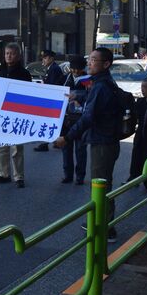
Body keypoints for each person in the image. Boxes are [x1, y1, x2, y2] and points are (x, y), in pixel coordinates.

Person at [54, 47, 122, 243]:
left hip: (103, 142)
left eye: (94, 60)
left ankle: (105, 228)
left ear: (106, 64)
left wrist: (67, 137)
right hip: (106, 140)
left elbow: (88, 117)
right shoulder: (102, 83)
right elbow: (95, 101)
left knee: (101, 185)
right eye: (89, 59)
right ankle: (103, 223)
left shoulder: (101, 85)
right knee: (103, 183)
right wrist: (79, 96)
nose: (89, 63)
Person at [0, 43, 32, 188]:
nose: (9, 56)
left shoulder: (24, 73)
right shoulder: (0, 70)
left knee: (17, 148)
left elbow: (28, 95)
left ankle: (19, 176)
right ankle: (3, 174)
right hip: (1, 114)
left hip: (17, 115)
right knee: (1, 147)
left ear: (19, 55)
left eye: (12, 53)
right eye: (7, 53)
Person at [60, 55, 88, 185]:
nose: (76, 71)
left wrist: (78, 97)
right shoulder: (65, 79)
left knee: (80, 149)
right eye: (73, 69)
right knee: (66, 147)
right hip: (66, 118)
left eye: (78, 69)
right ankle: (68, 174)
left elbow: (91, 96)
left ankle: (80, 175)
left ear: (83, 68)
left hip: (80, 118)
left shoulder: (88, 80)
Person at [34, 49, 66, 152]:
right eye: (43, 58)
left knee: (48, 122)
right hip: (54, 99)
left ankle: (46, 143)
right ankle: (56, 141)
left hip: (53, 99)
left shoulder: (54, 69)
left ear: (51, 58)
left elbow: (52, 86)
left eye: (45, 57)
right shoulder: (51, 68)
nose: (43, 59)